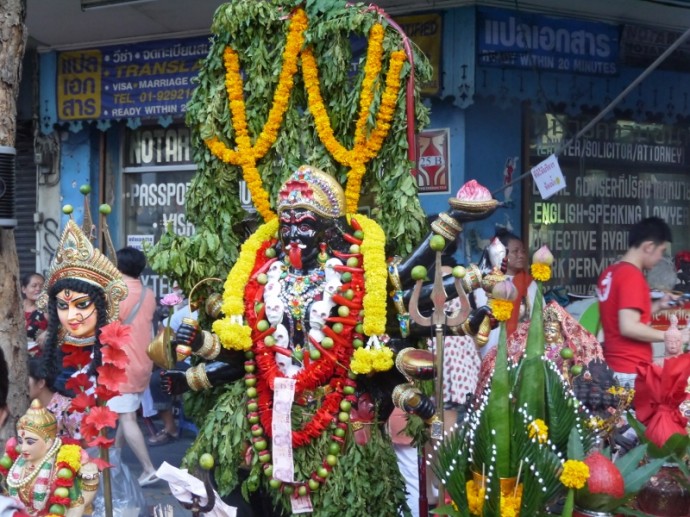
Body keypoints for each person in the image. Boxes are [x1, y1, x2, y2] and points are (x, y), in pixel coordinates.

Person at [154, 166, 496, 516]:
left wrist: (453, 222)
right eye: (286, 223)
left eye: (304, 222)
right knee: (259, 500)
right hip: (267, 414)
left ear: (328, 228)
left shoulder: (354, 278)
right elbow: (248, 355)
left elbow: (384, 332)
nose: (293, 233)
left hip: (339, 419)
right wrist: (199, 348)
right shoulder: (262, 279)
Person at [596, 216, 682, 388]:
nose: (660, 258)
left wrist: (659, 305)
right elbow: (629, 327)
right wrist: (671, 337)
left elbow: (622, 317)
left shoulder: (611, 272)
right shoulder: (632, 276)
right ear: (649, 247)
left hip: (614, 367)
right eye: (661, 251)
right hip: (631, 370)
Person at [0, 398, 100, 516]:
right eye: (21, 441)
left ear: (48, 443)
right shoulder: (15, 461)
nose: (23, 448)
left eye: (30, 442)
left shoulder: (61, 467)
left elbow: (76, 505)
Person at [111, 247, 158, 487]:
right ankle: (114, 459)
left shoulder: (116, 294)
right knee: (126, 412)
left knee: (127, 416)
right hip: (143, 363)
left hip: (122, 364)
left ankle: (148, 469)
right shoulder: (148, 293)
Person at [473, 229, 538, 358]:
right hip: (492, 347)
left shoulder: (531, 284)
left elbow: (538, 315)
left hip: (524, 350)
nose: (521, 255)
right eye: (515, 251)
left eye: (523, 251)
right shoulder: (487, 282)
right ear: (503, 253)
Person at [28, 358, 82, 441]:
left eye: (25, 381)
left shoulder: (68, 408)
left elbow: (86, 444)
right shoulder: (28, 411)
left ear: (41, 383)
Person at [21, 273, 48, 356]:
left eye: (41, 286)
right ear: (24, 289)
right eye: (34, 286)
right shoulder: (16, 307)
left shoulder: (47, 308)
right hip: (15, 358)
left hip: (38, 359)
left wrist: (48, 331)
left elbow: (61, 325)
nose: (38, 289)